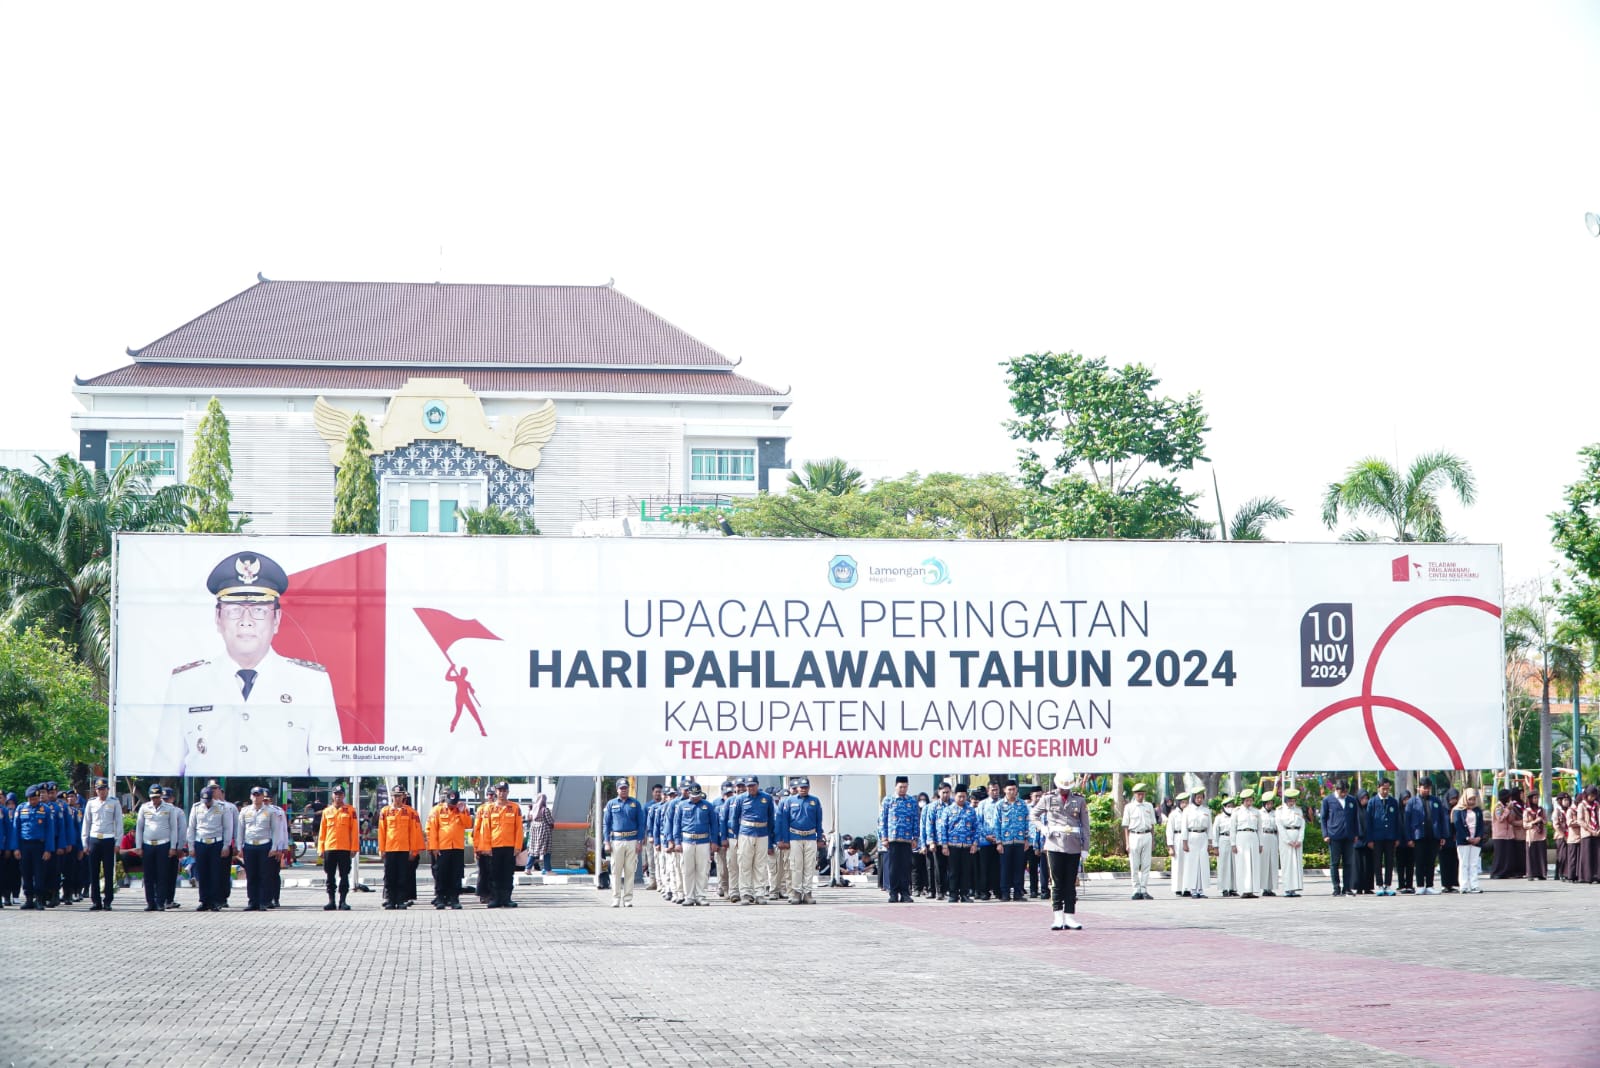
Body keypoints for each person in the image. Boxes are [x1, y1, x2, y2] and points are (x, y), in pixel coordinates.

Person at [154, 551, 341, 777]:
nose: (246, 621)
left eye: (259, 610)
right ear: (218, 618)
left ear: (277, 619)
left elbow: (329, 771)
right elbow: (165, 772)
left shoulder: (312, 683)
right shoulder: (186, 684)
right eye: (234, 610)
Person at [1031, 771, 1089, 929]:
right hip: (1054, 843)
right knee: (1056, 882)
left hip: (1073, 845)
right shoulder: (1048, 798)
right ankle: (1057, 916)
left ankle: (1070, 916)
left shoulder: (1079, 800)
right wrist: (1042, 827)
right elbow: (1033, 815)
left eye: (1067, 787)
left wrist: (1085, 847)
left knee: (1070, 882)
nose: (1064, 790)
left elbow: (1085, 825)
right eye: (1062, 786)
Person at [187, 786, 237, 911]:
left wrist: (226, 845)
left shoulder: (222, 807)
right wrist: (191, 846)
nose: (207, 803)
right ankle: (204, 900)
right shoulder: (196, 807)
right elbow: (191, 828)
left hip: (217, 843)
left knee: (216, 873)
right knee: (202, 874)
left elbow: (227, 828)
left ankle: (216, 901)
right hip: (201, 842)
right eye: (205, 801)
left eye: (209, 800)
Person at [727, 777, 776, 905]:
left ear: (758, 785)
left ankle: (759, 893)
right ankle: (745, 893)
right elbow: (734, 819)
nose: (750, 788)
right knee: (745, 864)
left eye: (753, 785)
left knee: (760, 864)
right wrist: (738, 836)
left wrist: (769, 835)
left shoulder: (766, 798)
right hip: (745, 833)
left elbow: (771, 818)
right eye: (748, 786)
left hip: (762, 833)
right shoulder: (741, 798)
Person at [672, 783, 722, 906]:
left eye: (697, 795)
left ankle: (701, 896)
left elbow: (714, 825)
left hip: (703, 841)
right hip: (687, 841)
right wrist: (677, 842)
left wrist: (714, 841)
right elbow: (676, 825)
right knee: (687, 870)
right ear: (688, 793)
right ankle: (689, 896)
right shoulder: (681, 806)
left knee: (702, 870)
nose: (695, 797)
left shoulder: (708, 806)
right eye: (693, 795)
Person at [777, 777, 825, 905]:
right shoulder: (789, 801)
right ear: (797, 788)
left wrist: (819, 838)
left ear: (809, 788)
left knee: (809, 866)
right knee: (796, 866)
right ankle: (796, 892)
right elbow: (784, 822)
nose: (803, 789)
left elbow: (818, 821)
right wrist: (785, 840)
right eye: (801, 787)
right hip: (795, 837)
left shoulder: (814, 801)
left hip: (810, 837)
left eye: (805, 787)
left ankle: (808, 893)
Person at [478, 781, 524, 908]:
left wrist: (518, 846)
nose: (502, 793)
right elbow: (485, 829)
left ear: (508, 792)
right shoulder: (489, 808)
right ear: (496, 792)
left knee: (508, 874)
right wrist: (486, 847)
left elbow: (519, 829)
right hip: (494, 847)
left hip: (509, 847)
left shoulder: (514, 807)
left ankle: (507, 898)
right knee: (494, 873)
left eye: (504, 790)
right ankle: (495, 898)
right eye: (499, 790)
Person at [377, 786, 423, 910]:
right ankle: (390, 900)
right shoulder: (385, 811)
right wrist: (381, 849)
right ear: (391, 796)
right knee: (389, 876)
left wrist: (414, 850)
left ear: (404, 797)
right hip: (390, 848)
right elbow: (382, 831)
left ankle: (401, 900)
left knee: (403, 876)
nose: (397, 798)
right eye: (395, 796)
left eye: (399, 796)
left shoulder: (410, 812)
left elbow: (414, 832)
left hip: (404, 849)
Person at [81, 778, 123, 911]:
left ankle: (108, 901)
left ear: (107, 790)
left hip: (108, 839)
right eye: (99, 789)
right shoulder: (91, 803)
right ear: (96, 790)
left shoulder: (114, 803)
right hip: (94, 839)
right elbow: (86, 823)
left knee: (108, 871)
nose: (101, 792)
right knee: (93, 872)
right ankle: (96, 901)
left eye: (103, 789)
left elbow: (119, 823)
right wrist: (85, 843)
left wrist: (118, 842)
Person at [133, 786, 178, 912]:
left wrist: (173, 847)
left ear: (161, 796)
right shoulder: (144, 807)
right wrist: (138, 846)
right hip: (148, 845)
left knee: (162, 875)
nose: (155, 800)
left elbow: (174, 828)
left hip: (163, 844)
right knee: (148, 876)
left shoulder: (169, 808)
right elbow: (139, 828)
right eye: (152, 798)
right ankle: (150, 902)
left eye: (157, 797)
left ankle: (160, 902)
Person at [878, 776, 921, 904]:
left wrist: (915, 838)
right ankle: (893, 893)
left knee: (906, 867)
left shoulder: (912, 801)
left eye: (905, 787)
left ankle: (905, 893)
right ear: (896, 786)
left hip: (907, 839)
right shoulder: (888, 800)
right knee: (893, 868)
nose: (903, 789)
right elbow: (882, 820)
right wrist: (884, 838)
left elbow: (915, 820)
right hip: (892, 839)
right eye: (900, 787)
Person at [602, 778, 645, 908]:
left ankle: (628, 899)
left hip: (632, 840)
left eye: (625, 787)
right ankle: (616, 898)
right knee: (616, 870)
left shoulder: (635, 804)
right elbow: (606, 824)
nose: (624, 790)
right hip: (617, 841)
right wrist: (606, 842)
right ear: (617, 789)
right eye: (621, 788)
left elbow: (641, 824)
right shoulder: (611, 804)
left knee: (630, 870)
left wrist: (639, 841)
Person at [236, 786, 280, 911]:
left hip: (264, 845)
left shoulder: (270, 811)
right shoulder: (244, 811)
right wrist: (239, 846)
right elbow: (240, 830)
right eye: (254, 795)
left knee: (264, 875)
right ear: (250, 797)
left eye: (259, 795)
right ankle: (252, 901)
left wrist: (275, 846)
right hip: (249, 845)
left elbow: (275, 830)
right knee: (251, 875)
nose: (256, 797)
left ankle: (263, 901)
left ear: (262, 797)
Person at [426, 790, 471, 909]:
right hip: (442, 847)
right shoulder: (437, 810)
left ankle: (454, 899)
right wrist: (434, 847)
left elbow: (468, 824)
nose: (452, 806)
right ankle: (440, 898)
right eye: (450, 803)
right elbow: (432, 830)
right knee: (441, 874)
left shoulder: (462, 809)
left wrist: (461, 812)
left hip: (457, 847)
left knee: (456, 874)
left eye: (454, 803)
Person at [15, 785, 57, 910]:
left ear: (38, 798)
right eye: (31, 799)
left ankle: (39, 899)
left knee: (39, 873)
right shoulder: (21, 808)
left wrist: (48, 849)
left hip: (39, 845)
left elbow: (50, 831)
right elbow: (15, 830)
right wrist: (16, 848)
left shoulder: (45, 809)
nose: (33, 801)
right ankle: (28, 899)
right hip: (24, 845)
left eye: (35, 799)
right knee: (26, 872)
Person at [318, 784, 358, 911]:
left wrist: (354, 847)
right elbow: (322, 831)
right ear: (332, 795)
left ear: (344, 796)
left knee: (344, 875)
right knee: (330, 876)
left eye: (340, 794)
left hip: (345, 848)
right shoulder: (326, 811)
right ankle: (331, 901)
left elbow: (354, 831)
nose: (338, 797)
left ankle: (343, 901)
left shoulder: (350, 810)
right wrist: (320, 848)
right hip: (330, 847)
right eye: (336, 794)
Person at [938, 786, 981, 904]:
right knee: (953, 871)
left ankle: (965, 894)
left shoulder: (971, 810)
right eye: (959, 796)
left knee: (966, 871)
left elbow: (976, 828)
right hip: (953, 846)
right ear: (954, 795)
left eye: (964, 796)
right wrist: (944, 845)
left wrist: (975, 844)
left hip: (967, 846)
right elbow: (943, 828)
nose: (962, 799)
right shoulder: (948, 810)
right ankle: (953, 894)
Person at [1406, 779, 1448, 895]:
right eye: (1424, 788)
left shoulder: (1436, 801)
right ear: (1418, 787)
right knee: (1419, 861)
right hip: (1419, 836)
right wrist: (1409, 838)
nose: (1426, 790)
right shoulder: (1412, 802)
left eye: (1428, 788)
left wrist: (1443, 835)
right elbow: (1407, 821)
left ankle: (1430, 885)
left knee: (1431, 862)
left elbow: (1442, 818)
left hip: (1433, 836)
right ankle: (1420, 885)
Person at [1320, 780, 1358, 897]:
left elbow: (1355, 818)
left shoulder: (1351, 800)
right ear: (1336, 789)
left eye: (1346, 792)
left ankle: (1347, 888)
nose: (1344, 794)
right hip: (1334, 835)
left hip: (1349, 836)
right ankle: (1336, 887)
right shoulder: (1328, 800)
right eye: (1342, 792)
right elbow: (1323, 818)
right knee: (1334, 863)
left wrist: (1356, 834)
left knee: (1348, 863)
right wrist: (1325, 834)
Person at [994, 781, 1030, 902]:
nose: (1011, 792)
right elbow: (996, 824)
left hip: (1020, 841)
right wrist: (998, 842)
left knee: (1019, 868)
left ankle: (1018, 892)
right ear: (1004, 790)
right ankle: (1005, 893)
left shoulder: (1022, 804)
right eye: (1009, 789)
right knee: (1005, 868)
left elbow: (1027, 822)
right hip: (1005, 842)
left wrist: (1027, 840)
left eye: (1013, 789)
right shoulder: (1000, 805)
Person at [1366, 779, 1401, 896]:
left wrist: (1397, 837)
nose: (1385, 791)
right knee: (1377, 862)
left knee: (1389, 861)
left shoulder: (1393, 802)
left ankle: (1388, 884)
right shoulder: (1372, 802)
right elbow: (1368, 822)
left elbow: (1397, 820)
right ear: (1378, 788)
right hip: (1377, 837)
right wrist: (1369, 839)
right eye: (1383, 789)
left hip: (1390, 837)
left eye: (1387, 789)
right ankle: (1380, 885)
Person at [1122, 783, 1156, 900]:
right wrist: (1127, 843)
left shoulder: (1149, 806)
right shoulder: (1129, 807)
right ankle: (1136, 889)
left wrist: (1153, 840)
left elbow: (1152, 824)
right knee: (1134, 865)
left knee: (1146, 865)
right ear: (1135, 795)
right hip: (1134, 835)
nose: (1140, 796)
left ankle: (1144, 889)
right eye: (1138, 794)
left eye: (1142, 794)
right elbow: (1126, 826)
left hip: (1147, 835)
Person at [921, 782, 953, 900]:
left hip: (952, 842)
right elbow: (929, 825)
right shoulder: (933, 807)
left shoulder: (954, 805)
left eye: (947, 792)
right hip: (938, 842)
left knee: (951, 868)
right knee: (939, 867)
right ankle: (939, 891)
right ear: (939, 792)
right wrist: (931, 842)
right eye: (943, 792)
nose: (945, 795)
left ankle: (950, 889)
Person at [1452, 787, 1486, 893]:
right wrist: (1467, 838)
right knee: (1464, 863)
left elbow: (1481, 825)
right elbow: (1458, 825)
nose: (1472, 801)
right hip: (1463, 841)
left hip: (1476, 840)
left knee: (1473, 863)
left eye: (1474, 799)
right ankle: (1464, 885)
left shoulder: (1478, 810)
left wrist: (1478, 837)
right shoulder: (1458, 810)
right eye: (1470, 799)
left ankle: (1474, 885)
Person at [1181, 788, 1213, 898]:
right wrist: (1184, 842)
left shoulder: (1206, 811)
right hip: (1192, 836)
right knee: (1192, 864)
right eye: (1197, 797)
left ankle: (1201, 889)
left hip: (1203, 836)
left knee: (1202, 864)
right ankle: (1193, 889)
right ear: (1193, 798)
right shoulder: (1187, 810)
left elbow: (1210, 827)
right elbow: (1184, 827)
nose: (1199, 799)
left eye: (1201, 797)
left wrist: (1210, 843)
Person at [1231, 789, 1262, 899]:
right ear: (1243, 801)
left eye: (1251, 800)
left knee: (1253, 863)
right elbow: (1232, 829)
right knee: (1242, 863)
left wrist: (1260, 843)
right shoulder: (1237, 812)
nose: (1249, 803)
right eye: (1247, 801)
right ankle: (1244, 890)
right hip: (1241, 836)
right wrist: (1233, 844)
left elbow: (1259, 829)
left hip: (1253, 836)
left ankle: (1252, 890)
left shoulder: (1256, 812)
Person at [1275, 788, 1305, 897]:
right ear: (1286, 800)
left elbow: (1302, 826)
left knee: (1296, 864)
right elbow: (1280, 826)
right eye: (1290, 800)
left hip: (1296, 836)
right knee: (1287, 864)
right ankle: (1287, 888)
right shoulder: (1280, 811)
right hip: (1286, 839)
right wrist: (1288, 840)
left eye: (1294, 800)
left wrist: (1300, 839)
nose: (1292, 802)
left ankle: (1294, 888)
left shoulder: (1298, 810)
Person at [1489, 788, 1517, 880]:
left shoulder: (1506, 807)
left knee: (1507, 855)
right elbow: (1500, 818)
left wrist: (1511, 810)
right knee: (1499, 855)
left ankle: (1505, 872)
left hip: (1508, 835)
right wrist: (1507, 810)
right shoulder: (1498, 806)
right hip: (1499, 835)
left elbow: (1510, 820)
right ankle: (1495, 872)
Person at [1257, 791, 1280, 897]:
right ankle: (1264, 888)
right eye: (1268, 803)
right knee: (1264, 862)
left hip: (1273, 837)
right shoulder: (1259, 813)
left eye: (1271, 803)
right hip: (1264, 836)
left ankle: (1270, 887)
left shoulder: (1276, 813)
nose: (1270, 805)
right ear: (1264, 803)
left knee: (1273, 862)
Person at [1212, 796, 1236, 897]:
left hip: (1234, 841)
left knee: (1233, 865)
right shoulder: (1219, 818)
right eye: (1228, 806)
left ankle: (1232, 888)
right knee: (1223, 865)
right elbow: (1215, 832)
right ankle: (1224, 888)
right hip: (1223, 839)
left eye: (1232, 806)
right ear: (1224, 807)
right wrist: (1215, 846)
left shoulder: (1236, 816)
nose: (1230, 808)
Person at [525, 793, 554, 874]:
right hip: (544, 833)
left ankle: (527, 869)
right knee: (546, 851)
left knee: (533, 851)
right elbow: (550, 821)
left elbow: (529, 819)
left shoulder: (533, 810)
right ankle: (548, 871)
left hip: (534, 832)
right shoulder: (545, 810)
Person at [1523, 796, 1547, 881]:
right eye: (1534, 798)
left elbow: (1546, 821)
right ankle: (1531, 874)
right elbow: (1525, 825)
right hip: (1531, 836)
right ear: (1530, 800)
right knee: (1531, 856)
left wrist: (1542, 820)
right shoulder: (1527, 811)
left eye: (1537, 798)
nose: (1536, 800)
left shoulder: (1541, 810)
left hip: (1541, 836)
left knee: (1540, 855)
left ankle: (1541, 873)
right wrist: (1535, 821)